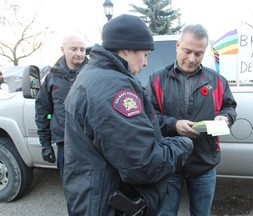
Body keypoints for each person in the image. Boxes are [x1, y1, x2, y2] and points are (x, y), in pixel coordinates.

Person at [63, 14, 194, 216]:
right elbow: (143, 164)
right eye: (146, 54)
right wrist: (183, 145)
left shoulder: (93, 75)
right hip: (107, 204)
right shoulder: (113, 87)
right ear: (126, 49)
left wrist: (169, 127)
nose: (146, 63)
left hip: (93, 195)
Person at [146, 24, 237, 216]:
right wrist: (173, 125)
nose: (192, 59)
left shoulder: (218, 81)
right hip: (169, 162)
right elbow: (149, 117)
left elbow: (230, 107)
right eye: (187, 51)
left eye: (199, 53)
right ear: (178, 46)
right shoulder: (156, 80)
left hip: (204, 162)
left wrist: (226, 117)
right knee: (165, 213)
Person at [35, 34, 88, 216]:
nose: (80, 53)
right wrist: (45, 144)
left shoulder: (93, 73)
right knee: (72, 191)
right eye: (74, 49)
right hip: (66, 145)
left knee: (97, 189)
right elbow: (42, 110)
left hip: (93, 143)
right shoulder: (51, 78)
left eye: (82, 49)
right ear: (62, 50)